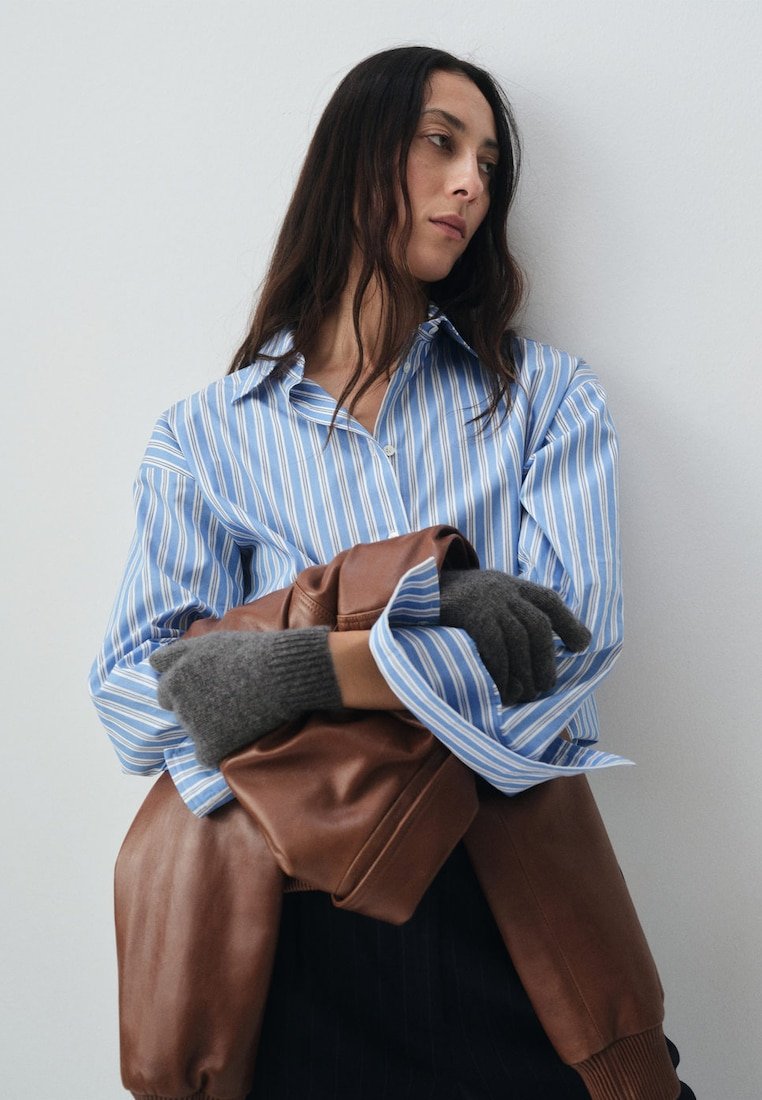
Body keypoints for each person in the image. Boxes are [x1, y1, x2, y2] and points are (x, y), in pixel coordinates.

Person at [91, 46, 694, 1099]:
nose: (473, 182)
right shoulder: (205, 437)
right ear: (357, 159)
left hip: (516, 910)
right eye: (441, 142)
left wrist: (292, 672)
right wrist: (425, 613)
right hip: (290, 946)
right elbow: (134, 702)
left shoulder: (543, 397)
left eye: (490, 163)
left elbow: (563, 658)